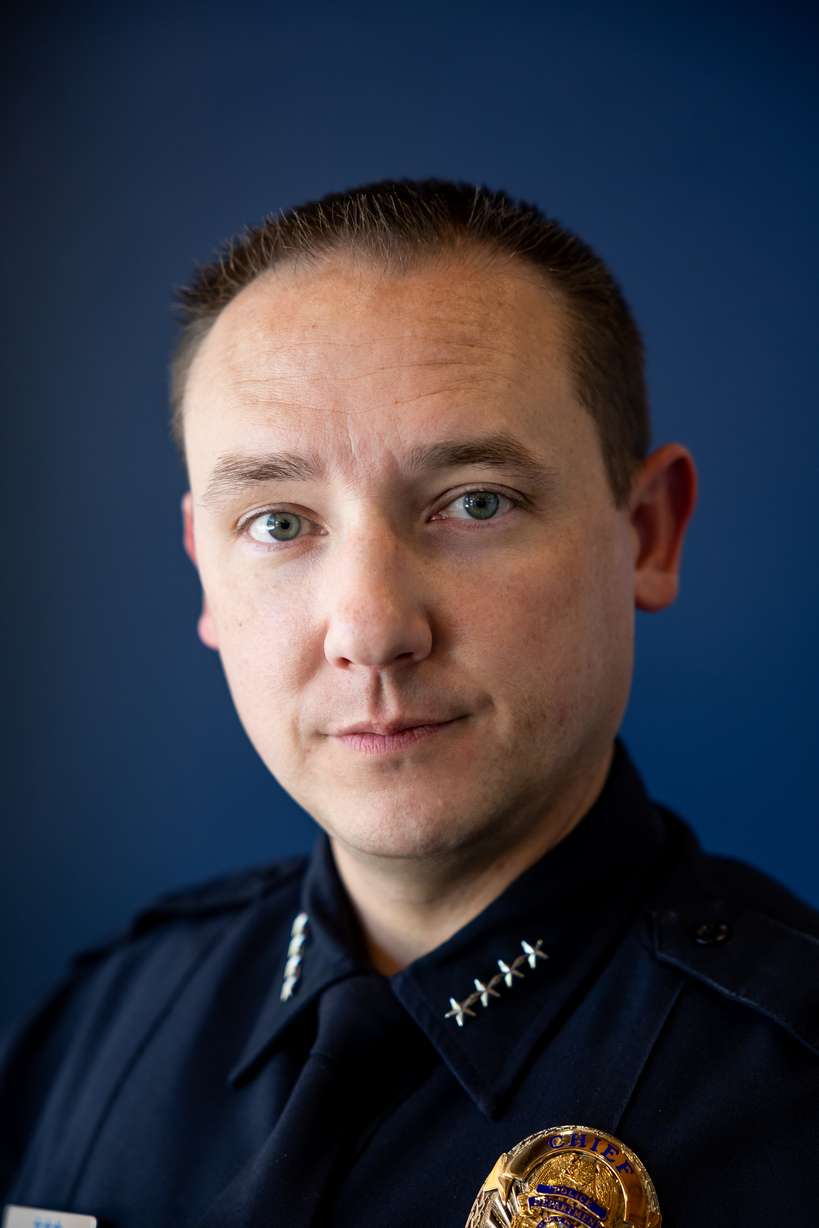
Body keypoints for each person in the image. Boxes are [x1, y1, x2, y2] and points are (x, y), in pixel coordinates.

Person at [2, 179, 817, 1227]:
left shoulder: (795, 1093)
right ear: (204, 568)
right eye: (280, 524)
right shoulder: (99, 1030)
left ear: (648, 533)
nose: (373, 628)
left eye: (476, 501)